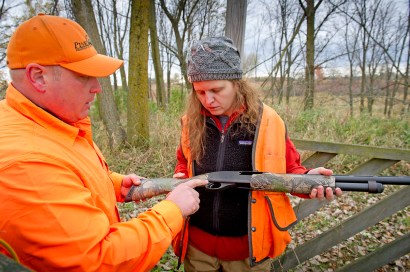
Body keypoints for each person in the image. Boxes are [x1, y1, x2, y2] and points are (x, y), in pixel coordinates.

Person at [0, 14, 208, 272]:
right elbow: (96, 260)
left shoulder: (49, 122)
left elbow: (68, 174)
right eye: (84, 76)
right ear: (38, 76)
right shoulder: (26, 164)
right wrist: (172, 211)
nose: (97, 88)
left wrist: (116, 185)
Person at [172, 36, 343, 272]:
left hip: (249, 251)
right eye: (200, 92)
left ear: (236, 83)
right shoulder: (190, 122)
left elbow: (292, 171)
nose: (208, 100)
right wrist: (180, 175)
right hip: (197, 249)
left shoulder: (268, 121)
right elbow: (184, 161)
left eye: (216, 90)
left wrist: (309, 179)